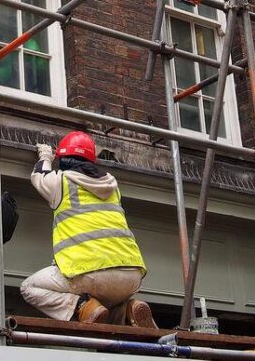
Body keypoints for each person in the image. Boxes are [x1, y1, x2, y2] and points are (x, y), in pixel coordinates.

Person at [20, 130, 156, 328]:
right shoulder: (112, 186)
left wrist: (46, 157)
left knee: (29, 287)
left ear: (64, 160)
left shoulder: (62, 182)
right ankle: (129, 311)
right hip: (131, 275)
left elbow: (39, 176)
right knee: (107, 304)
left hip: (88, 272)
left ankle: (82, 306)